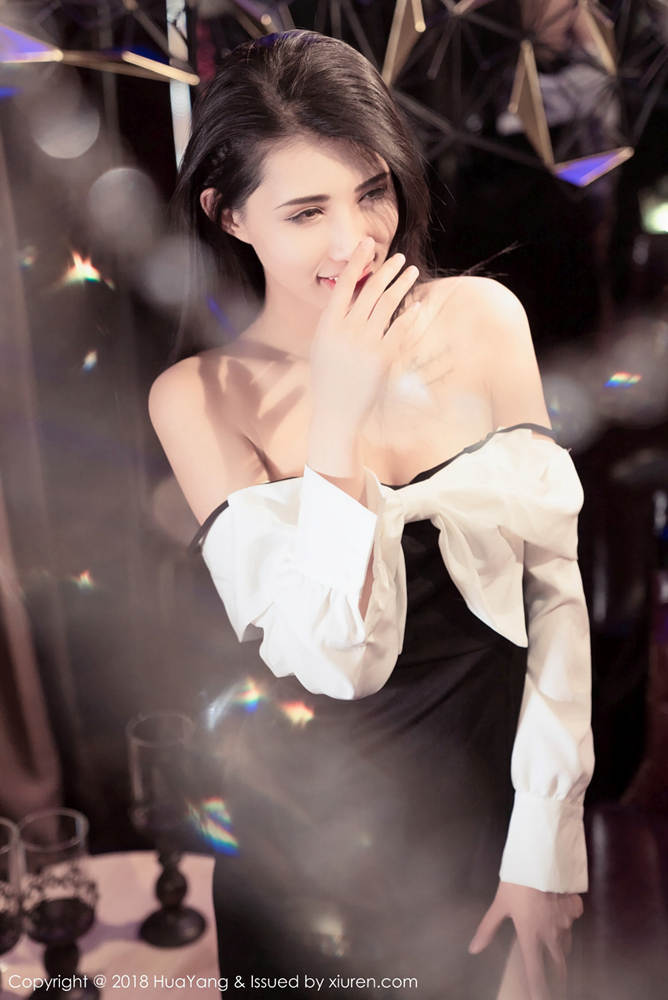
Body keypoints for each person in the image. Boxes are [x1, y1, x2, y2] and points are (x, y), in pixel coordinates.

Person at [148, 29, 594, 1000]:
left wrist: (544, 844)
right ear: (230, 215)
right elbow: (333, 661)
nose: (355, 240)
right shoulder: (199, 397)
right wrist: (338, 421)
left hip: (490, 819)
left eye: (372, 190)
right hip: (302, 854)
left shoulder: (483, 319)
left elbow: (553, 595)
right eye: (306, 210)